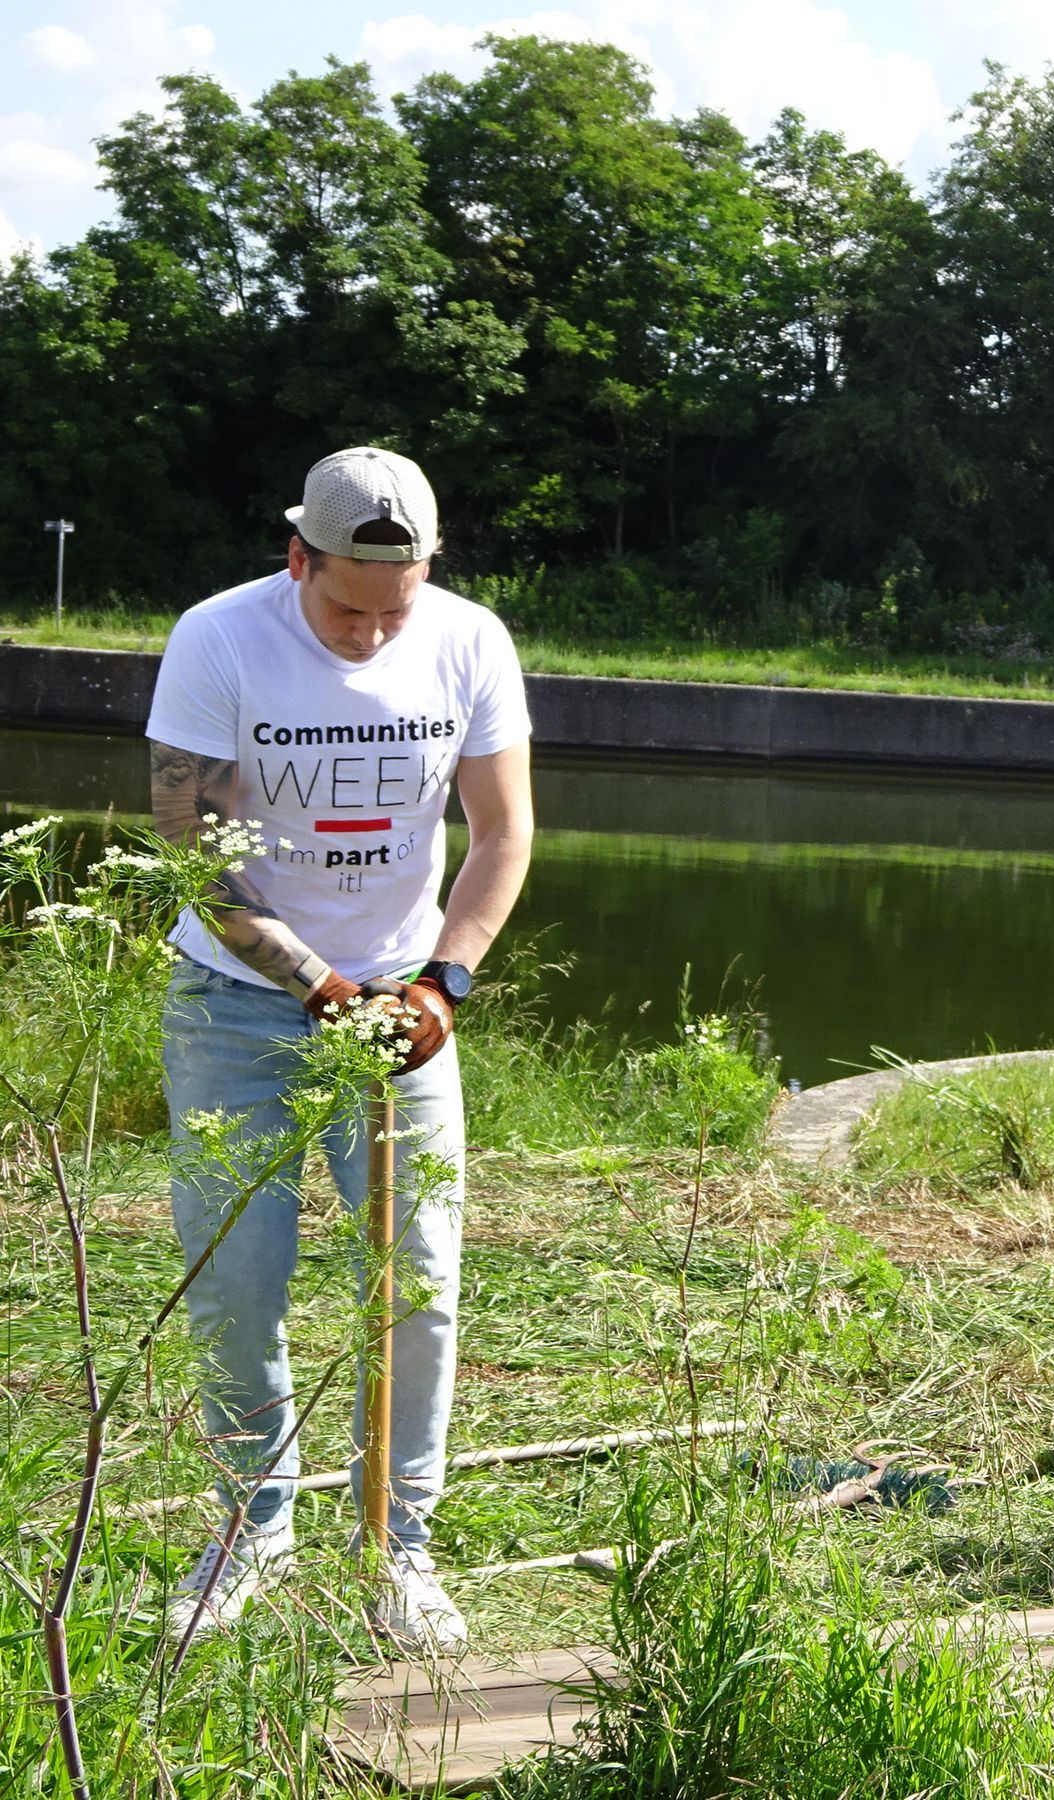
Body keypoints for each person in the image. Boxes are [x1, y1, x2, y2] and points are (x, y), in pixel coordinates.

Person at [147, 446, 534, 1649]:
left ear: (429, 570)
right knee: (237, 1281)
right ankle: (250, 1534)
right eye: (344, 609)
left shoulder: (471, 641)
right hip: (238, 1008)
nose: (369, 636)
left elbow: (501, 831)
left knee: (415, 1283)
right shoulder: (218, 640)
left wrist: (444, 985)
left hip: (408, 1007)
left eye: (395, 607)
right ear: (296, 555)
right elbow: (191, 856)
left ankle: (397, 1548)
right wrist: (319, 987)